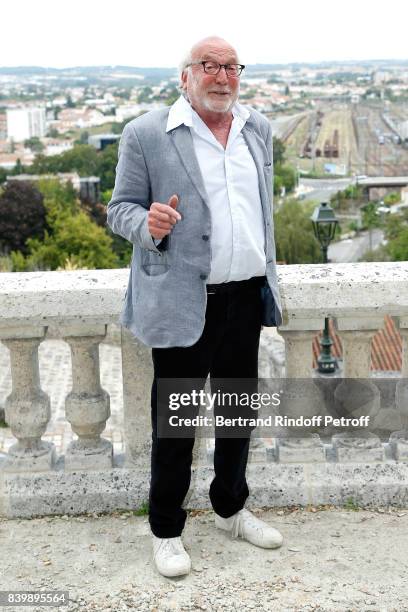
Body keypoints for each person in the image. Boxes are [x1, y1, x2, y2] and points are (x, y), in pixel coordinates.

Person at [107, 35, 283, 578]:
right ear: (185, 76)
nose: (222, 76)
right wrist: (149, 224)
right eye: (209, 66)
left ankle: (230, 509)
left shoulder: (258, 129)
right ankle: (166, 529)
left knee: (236, 416)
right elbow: (119, 210)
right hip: (184, 300)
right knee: (176, 424)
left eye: (232, 66)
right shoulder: (146, 134)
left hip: (245, 295)